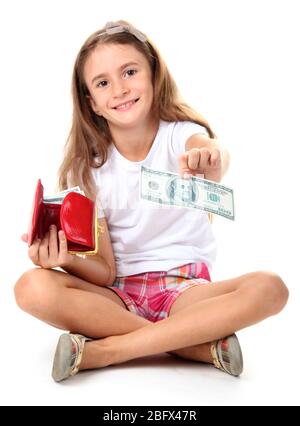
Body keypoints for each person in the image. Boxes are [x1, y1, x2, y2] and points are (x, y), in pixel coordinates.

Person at [15, 20, 289, 382]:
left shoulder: (182, 136)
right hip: (117, 295)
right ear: (92, 103)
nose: (120, 89)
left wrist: (208, 157)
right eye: (102, 82)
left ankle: (108, 350)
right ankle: (190, 345)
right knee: (30, 287)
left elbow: (212, 151)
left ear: (153, 75)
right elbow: (106, 271)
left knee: (271, 288)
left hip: (186, 290)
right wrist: (65, 259)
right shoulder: (86, 170)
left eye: (129, 72)